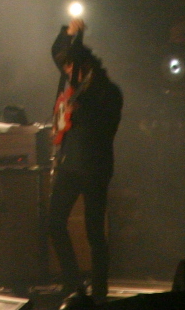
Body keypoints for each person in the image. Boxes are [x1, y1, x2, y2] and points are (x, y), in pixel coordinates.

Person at [48, 16, 123, 306]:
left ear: (85, 66)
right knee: (55, 222)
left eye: (71, 67)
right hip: (70, 166)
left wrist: (79, 111)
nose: (66, 71)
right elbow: (57, 54)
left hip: (94, 168)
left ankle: (100, 291)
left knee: (94, 231)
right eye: (66, 67)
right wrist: (68, 33)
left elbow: (105, 130)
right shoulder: (73, 87)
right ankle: (73, 285)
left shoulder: (108, 92)